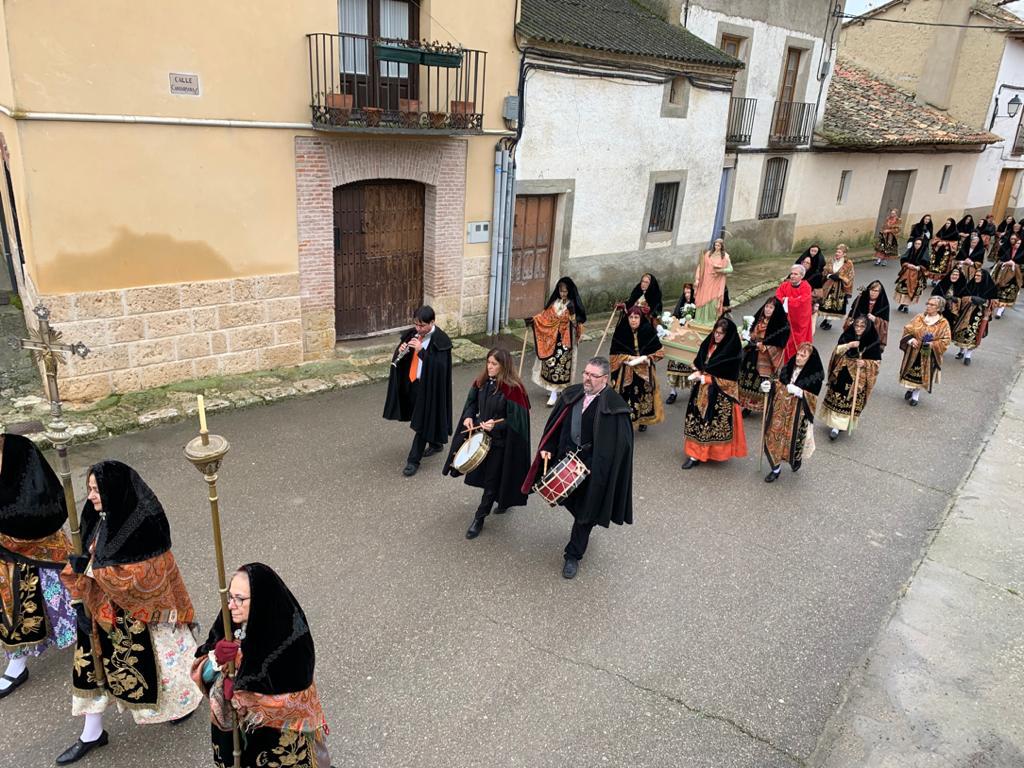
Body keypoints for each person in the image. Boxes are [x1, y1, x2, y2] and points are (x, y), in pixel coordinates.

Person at [57, 461, 202, 765]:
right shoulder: (96, 518)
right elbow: (88, 559)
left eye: (96, 490)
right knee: (90, 670)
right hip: (99, 611)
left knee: (164, 667)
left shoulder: (144, 525)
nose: (91, 496)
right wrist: (79, 592)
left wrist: (90, 570)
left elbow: (140, 576)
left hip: (143, 616)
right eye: (89, 489)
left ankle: (185, 702)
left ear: (114, 490)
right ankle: (91, 733)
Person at [192, 563, 331, 768]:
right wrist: (217, 660)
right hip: (238, 733)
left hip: (278, 735)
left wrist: (240, 695)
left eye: (240, 599)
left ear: (261, 600)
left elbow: (294, 699)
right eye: (230, 597)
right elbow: (202, 672)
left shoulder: (291, 638)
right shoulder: (228, 621)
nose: (231, 605)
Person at [522, 357, 633, 580]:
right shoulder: (572, 395)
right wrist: (548, 448)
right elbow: (556, 426)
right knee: (569, 502)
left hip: (593, 471)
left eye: (593, 375)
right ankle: (583, 521)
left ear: (605, 378)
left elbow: (620, 448)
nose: (587, 378)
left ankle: (573, 555)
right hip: (565, 461)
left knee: (586, 514)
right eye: (585, 373)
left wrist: (596, 467)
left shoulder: (615, 408)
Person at [0, 432, 74, 699]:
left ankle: (91, 643)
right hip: (4, 558)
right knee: (10, 610)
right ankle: (17, 664)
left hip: (39, 548)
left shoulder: (20, 450)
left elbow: (43, 504)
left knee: (66, 600)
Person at [443, 348, 531, 539]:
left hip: (501, 443)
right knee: (489, 476)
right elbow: (472, 403)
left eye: (494, 364)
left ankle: (479, 518)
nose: (489, 367)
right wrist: (468, 417)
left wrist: (496, 425)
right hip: (481, 436)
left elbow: (518, 422)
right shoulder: (481, 382)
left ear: (503, 366)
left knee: (491, 479)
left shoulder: (514, 390)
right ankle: (502, 499)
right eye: (488, 362)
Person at [384, 305, 454, 477]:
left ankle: (413, 460)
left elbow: (440, 368)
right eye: (416, 324)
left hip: (430, 386)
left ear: (432, 322)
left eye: (422, 325)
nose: (418, 328)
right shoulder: (413, 334)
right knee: (423, 416)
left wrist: (421, 351)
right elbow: (404, 356)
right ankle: (436, 443)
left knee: (422, 421)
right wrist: (401, 351)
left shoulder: (441, 340)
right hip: (413, 383)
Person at [681, 317, 747, 469]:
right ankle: (694, 454)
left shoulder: (733, 353)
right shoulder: (708, 344)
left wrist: (705, 378)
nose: (716, 336)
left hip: (719, 395)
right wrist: (698, 371)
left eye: (721, 333)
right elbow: (700, 362)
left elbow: (730, 382)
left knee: (711, 423)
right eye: (715, 332)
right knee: (697, 421)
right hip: (701, 391)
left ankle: (709, 453)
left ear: (727, 335)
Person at [762, 343, 825, 483]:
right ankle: (775, 469)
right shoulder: (789, 367)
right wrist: (769, 386)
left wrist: (800, 392)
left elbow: (813, 399)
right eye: (798, 354)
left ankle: (795, 459)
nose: (798, 358)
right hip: (781, 410)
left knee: (794, 441)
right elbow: (779, 383)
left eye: (803, 356)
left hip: (798, 413)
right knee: (775, 436)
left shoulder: (815, 375)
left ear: (809, 359)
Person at [820, 316, 883, 441]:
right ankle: (835, 425)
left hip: (858, 377)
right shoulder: (847, 336)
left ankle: (838, 426)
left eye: (862, 326)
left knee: (850, 398)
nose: (858, 329)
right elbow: (836, 351)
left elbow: (876, 363)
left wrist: (865, 363)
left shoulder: (873, 341)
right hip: (842, 371)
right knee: (837, 395)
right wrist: (848, 345)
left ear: (867, 328)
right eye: (856, 326)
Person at [528, 278, 587, 407]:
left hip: (565, 341)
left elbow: (577, 324)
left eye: (565, 291)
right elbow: (545, 317)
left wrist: (572, 314)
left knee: (560, 367)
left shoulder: (572, 304)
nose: (563, 294)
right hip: (551, 339)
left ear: (569, 291)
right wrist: (533, 320)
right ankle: (552, 389)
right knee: (550, 364)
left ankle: (555, 392)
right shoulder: (554, 303)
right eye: (561, 291)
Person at [608, 306, 665, 432]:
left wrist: (648, 358)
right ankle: (626, 422)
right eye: (631, 317)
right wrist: (628, 357)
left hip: (644, 371)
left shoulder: (648, 330)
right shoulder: (621, 331)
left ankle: (643, 420)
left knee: (643, 395)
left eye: (636, 317)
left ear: (641, 318)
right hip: (627, 371)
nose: (633, 320)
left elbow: (660, 352)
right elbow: (613, 355)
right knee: (628, 396)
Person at [737, 297, 789, 415]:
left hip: (765, 359)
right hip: (752, 354)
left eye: (771, 307)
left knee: (761, 383)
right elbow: (751, 333)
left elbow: (779, 346)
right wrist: (746, 335)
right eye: (766, 306)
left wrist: (764, 347)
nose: (768, 309)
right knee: (747, 379)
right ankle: (747, 405)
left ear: (775, 310)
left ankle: (764, 405)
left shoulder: (780, 326)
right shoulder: (758, 320)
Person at [898, 296, 952, 407]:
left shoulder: (943, 323)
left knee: (921, 376)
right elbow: (908, 329)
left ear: (939, 308)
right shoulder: (919, 317)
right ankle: (911, 389)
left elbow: (946, 340)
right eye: (928, 303)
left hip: (928, 354)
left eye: (932, 305)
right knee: (911, 373)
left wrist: (932, 344)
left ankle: (915, 396)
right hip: (914, 352)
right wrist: (911, 339)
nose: (928, 306)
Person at [952, 267, 996, 366]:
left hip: (979, 316)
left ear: (983, 277)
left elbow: (993, 302)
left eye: (978, 276)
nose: (976, 277)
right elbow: (961, 296)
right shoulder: (970, 285)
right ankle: (961, 351)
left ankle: (968, 355)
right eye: (975, 275)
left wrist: (984, 301)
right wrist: (970, 298)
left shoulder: (990, 288)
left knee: (974, 335)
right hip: (965, 314)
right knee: (963, 333)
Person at [665, 283, 698, 404]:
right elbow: (675, 319)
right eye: (685, 293)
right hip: (679, 338)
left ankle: (694, 391)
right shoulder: (681, 305)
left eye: (689, 292)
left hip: (691, 340)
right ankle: (673, 392)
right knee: (673, 364)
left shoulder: (697, 306)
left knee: (692, 366)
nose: (687, 295)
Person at [775, 264, 814, 361]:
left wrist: (787, 300)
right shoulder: (784, 285)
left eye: (795, 274)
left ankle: (797, 361)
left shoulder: (806, 287)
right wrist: (792, 300)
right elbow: (778, 297)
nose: (792, 276)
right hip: (786, 321)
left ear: (802, 276)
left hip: (800, 323)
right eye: (791, 273)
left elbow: (802, 302)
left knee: (799, 344)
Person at [844, 280, 890, 350]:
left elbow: (885, 324)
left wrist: (875, 319)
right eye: (871, 290)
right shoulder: (861, 298)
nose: (873, 293)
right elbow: (853, 312)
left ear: (880, 292)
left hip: (872, 334)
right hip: (858, 330)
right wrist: (850, 320)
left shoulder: (884, 305)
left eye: (876, 291)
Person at [694, 238, 732, 319]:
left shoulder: (725, 257)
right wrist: (697, 279)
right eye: (715, 245)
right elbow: (701, 266)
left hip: (717, 282)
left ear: (721, 246)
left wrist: (721, 270)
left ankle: (711, 320)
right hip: (706, 280)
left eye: (718, 245)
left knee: (714, 301)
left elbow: (730, 269)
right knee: (703, 299)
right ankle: (701, 319)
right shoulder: (708, 254)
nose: (716, 247)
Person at [819, 244, 855, 330]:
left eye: (839, 252)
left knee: (835, 306)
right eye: (837, 251)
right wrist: (829, 276)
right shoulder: (831, 260)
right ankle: (824, 319)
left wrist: (840, 277)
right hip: (828, 285)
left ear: (844, 254)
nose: (837, 253)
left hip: (840, 287)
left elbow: (851, 276)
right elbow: (824, 271)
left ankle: (828, 322)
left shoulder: (848, 263)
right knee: (824, 303)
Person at [894, 237, 930, 313]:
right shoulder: (910, 250)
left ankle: (906, 306)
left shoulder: (924, 252)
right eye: (916, 243)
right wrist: (907, 264)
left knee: (912, 289)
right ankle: (902, 303)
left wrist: (919, 267)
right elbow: (903, 259)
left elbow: (926, 264)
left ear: (922, 245)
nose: (917, 245)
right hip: (907, 273)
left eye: (919, 244)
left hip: (917, 274)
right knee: (904, 288)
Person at [992, 245, 1023, 318]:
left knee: (1006, 295)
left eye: (1019, 243)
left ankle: (1000, 311)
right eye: (1016, 242)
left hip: (1014, 278)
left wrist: (1015, 265)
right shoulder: (1008, 251)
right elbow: (1000, 261)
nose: (1017, 245)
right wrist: (1005, 263)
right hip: (1003, 276)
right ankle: (995, 308)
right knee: (999, 293)